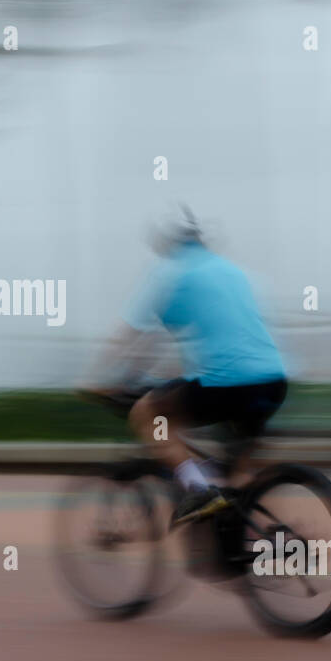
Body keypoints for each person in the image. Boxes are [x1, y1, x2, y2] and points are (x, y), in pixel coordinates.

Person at [84, 208, 288, 527]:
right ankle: (251, 545)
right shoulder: (232, 271)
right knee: (235, 483)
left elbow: (133, 335)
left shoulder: (170, 272)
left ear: (167, 243)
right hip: (272, 382)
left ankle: (198, 490)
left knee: (148, 415)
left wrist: (98, 380)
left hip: (227, 384)